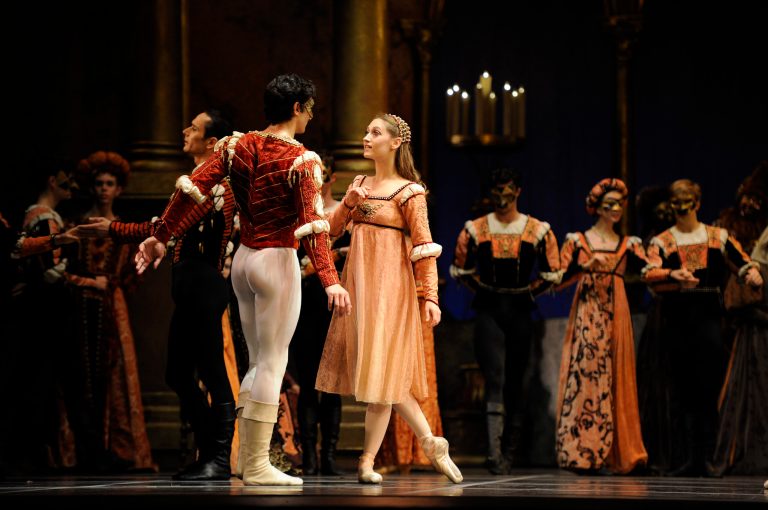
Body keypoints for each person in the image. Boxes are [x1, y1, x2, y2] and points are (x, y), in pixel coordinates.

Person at [134, 73, 350, 486]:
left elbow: (190, 189)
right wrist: (330, 279)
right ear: (296, 108)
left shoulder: (235, 144)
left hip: (244, 262)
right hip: (276, 260)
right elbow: (313, 226)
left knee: (258, 360)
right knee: (273, 361)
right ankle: (255, 464)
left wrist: (160, 236)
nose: (310, 116)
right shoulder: (301, 159)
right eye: (309, 108)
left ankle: (253, 461)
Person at [80, 110, 238, 480]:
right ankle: (208, 451)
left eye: (194, 129)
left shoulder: (215, 184)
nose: (185, 131)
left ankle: (218, 458)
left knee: (212, 370)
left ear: (212, 142)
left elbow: (168, 225)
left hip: (204, 283)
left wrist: (114, 228)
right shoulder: (196, 181)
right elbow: (167, 225)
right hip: (190, 284)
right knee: (177, 373)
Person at [315, 113, 462, 485]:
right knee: (381, 379)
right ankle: (420, 445)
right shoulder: (360, 182)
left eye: (374, 132)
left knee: (384, 375)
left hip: (390, 291)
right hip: (360, 287)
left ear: (395, 142)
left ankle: (375, 458)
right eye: (366, 131)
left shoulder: (410, 191)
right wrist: (348, 202)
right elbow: (330, 233)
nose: (366, 137)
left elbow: (425, 246)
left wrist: (430, 295)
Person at [641, 179, 763, 476]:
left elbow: (742, 261)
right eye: (676, 202)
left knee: (707, 388)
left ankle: (708, 456)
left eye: (686, 201)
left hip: (708, 316)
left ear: (696, 203)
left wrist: (752, 273)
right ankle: (686, 458)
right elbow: (648, 271)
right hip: (676, 316)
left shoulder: (717, 237)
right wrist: (673, 274)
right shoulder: (663, 241)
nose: (681, 208)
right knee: (681, 388)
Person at [449, 167, 560, 474]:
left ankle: (510, 450)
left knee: (515, 380)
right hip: (489, 309)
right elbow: (462, 269)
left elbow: (552, 271)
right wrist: (485, 290)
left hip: (521, 310)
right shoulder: (476, 229)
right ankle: (494, 452)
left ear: (518, 192)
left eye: (507, 189)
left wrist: (526, 292)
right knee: (494, 378)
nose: (501, 196)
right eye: (496, 190)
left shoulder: (537, 230)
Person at [65, 151, 155, 472]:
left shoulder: (122, 230)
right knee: (80, 371)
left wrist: (115, 287)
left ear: (119, 189)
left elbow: (133, 275)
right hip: (79, 307)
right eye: (99, 183)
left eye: (110, 184)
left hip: (113, 307)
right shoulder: (74, 228)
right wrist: (87, 282)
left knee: (114, 374)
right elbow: (63, 270)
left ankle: (116, 448)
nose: (103, 189)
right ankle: (81, 448)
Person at [553, 178, 648, 474]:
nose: (615, 210)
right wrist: (583, 267)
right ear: (597, 208)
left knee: (617, 373)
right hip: (589, 310)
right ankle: (585, 451)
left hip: (616, 309)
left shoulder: (629, 244)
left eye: (619, 204)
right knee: (588, 374)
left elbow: (650, 270)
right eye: (609, 205)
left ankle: (617, 452)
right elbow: (557, 279)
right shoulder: (579, 241)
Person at [288, 155, 349, 476]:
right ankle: (309, 456)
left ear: (331, 177)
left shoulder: (346, 215)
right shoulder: (299, 214)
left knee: (334, 385)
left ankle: (329, 456)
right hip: (306, 305)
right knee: (310, 383)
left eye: (321, 174)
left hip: (338, 308)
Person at [709, 163, 768, 476]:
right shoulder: (726, 226)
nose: (750, 205)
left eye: (757, 201)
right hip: (735, 309)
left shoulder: (762, 231)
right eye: (747, 198)